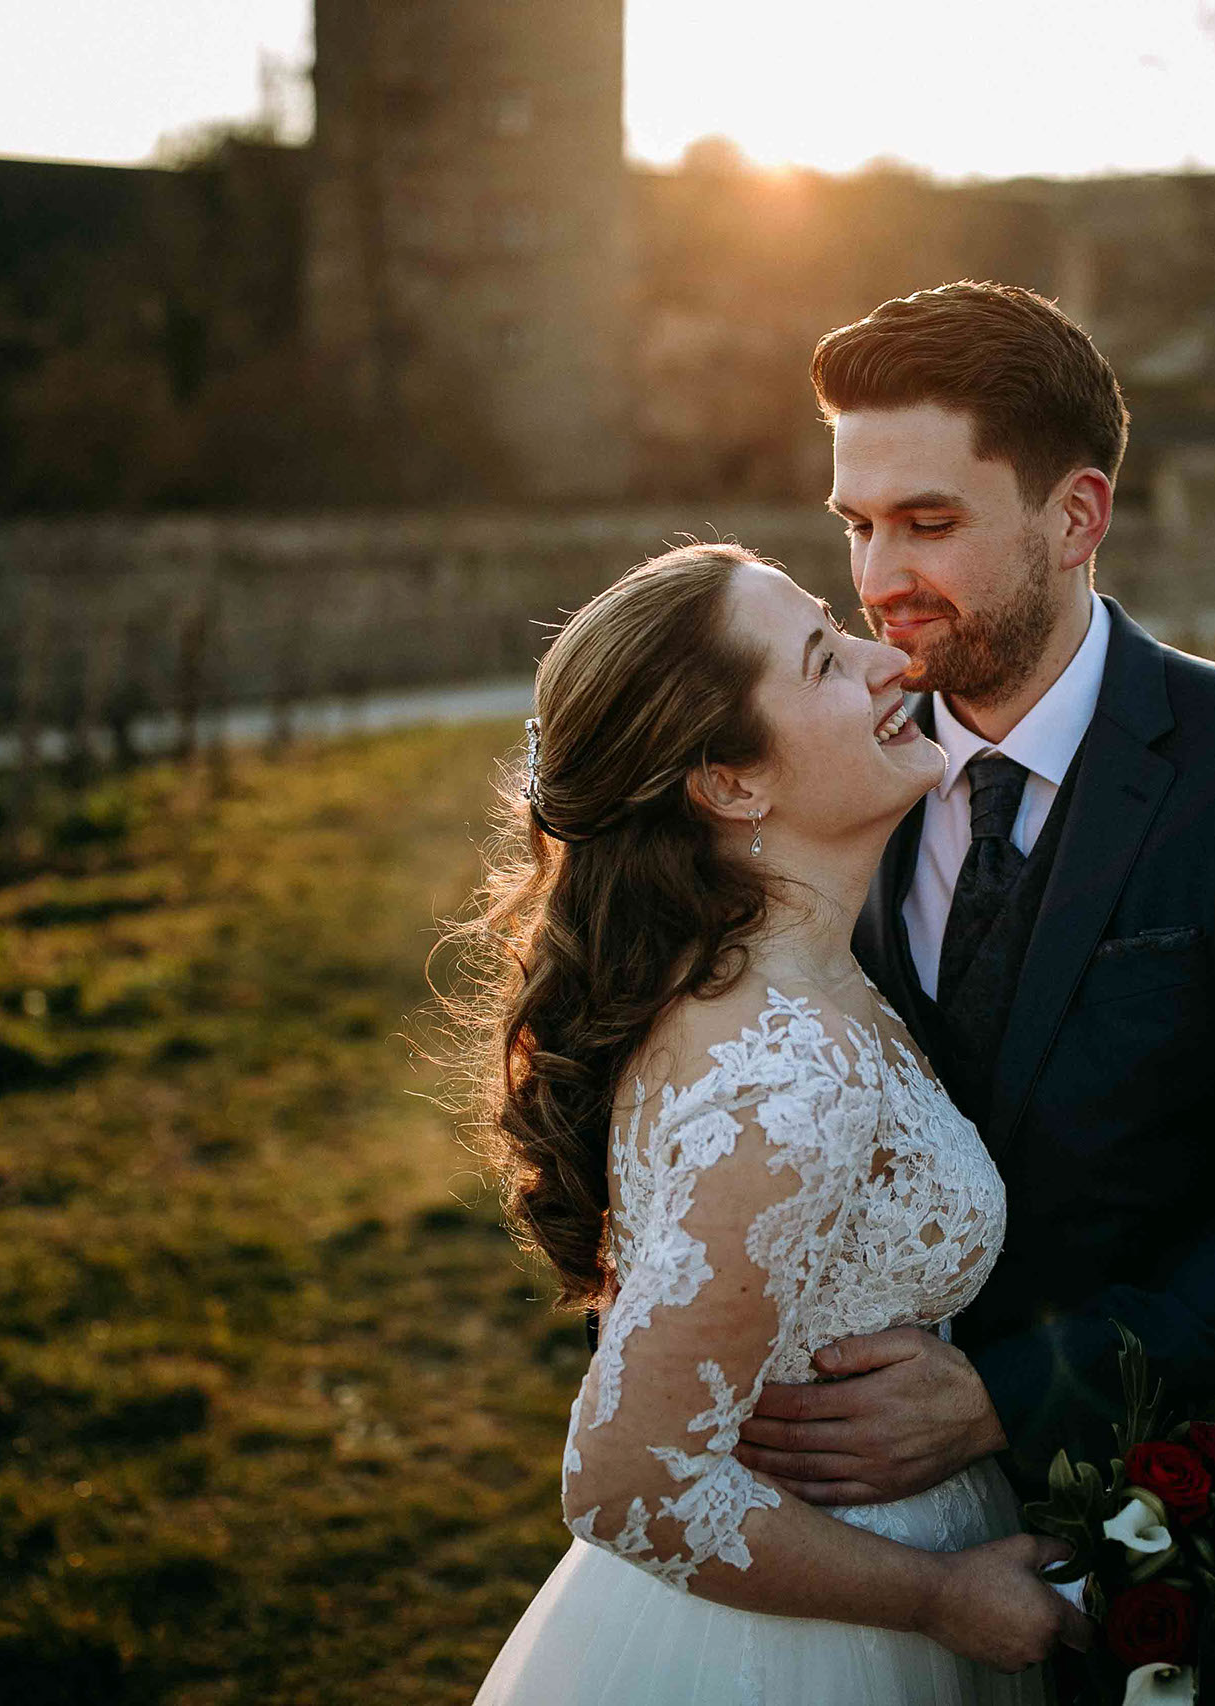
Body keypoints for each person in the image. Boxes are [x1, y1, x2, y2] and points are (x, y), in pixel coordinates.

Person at [734, 282, 1215, 1568]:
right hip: (870, 1532)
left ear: (1076, 516)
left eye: (928, 523)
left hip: (1186, 1518)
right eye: (857, 525)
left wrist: (1004, 1396)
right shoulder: (817, 774)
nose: (878, 581)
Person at [455, 543, 1085, 1703]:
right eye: (822, 659)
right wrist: (934, 1596)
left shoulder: (786, 981)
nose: (888, 659)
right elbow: (627, 1481)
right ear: (730, 784)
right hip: (809, 1642)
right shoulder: (785, 1084)